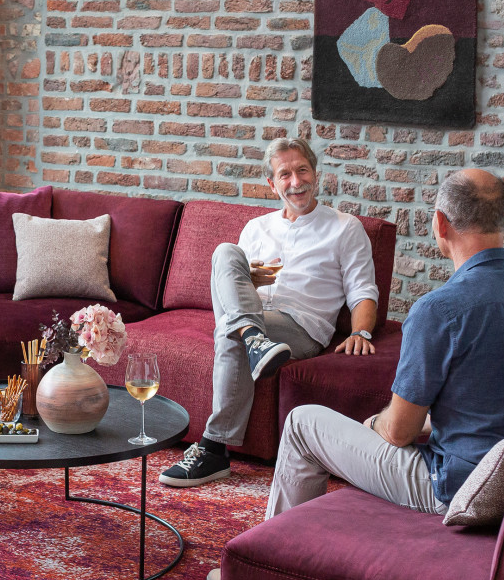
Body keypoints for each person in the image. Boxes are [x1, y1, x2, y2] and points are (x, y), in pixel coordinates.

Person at [205, 169, 504, 580]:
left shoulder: (439, 309)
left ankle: (264, 576)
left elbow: (398, 433)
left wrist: (375, 424)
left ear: (440, 224)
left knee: (302, 423)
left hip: (454, 488)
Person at [159, 137, 381, 488]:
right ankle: (254, 340)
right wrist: (248, 279)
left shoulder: (345, 227)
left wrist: (360, 332)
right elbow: (228, 285)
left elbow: (363, 291)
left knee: (230, 330)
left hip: (300, 326)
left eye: (302, 170)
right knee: (224, 253)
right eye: (285, 174)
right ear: (272, 184)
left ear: (316, 174)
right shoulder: (256, 228)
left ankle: (214, 448)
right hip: (255, 312)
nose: (296, 182)